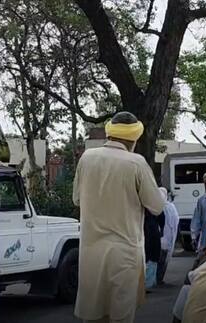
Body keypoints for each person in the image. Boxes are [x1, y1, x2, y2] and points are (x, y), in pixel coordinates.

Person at [72, 112, 166, 323]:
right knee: (120, 317)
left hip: (90, 254)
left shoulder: (87, 158)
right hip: (124, 254)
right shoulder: (136, 163)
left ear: (110, 133)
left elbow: (77, 199)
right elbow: (157, 207)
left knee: (93, 316)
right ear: (134, 139)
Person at [157, 188, 179, 286]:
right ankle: (159, 279)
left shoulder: (156, 207)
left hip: (159, 237)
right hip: (167, 237)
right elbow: (175, 221)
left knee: (157, 260)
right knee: (163, 259)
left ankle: (156, 279)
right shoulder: (170, 207)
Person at [144, 207, 165, 289]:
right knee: (152, 257)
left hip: (144, 231)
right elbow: (161, 217)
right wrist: (162, 229)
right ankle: (149, 283)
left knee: (148, 257)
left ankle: (147, 283)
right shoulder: (154, 205)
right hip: (152, 230)